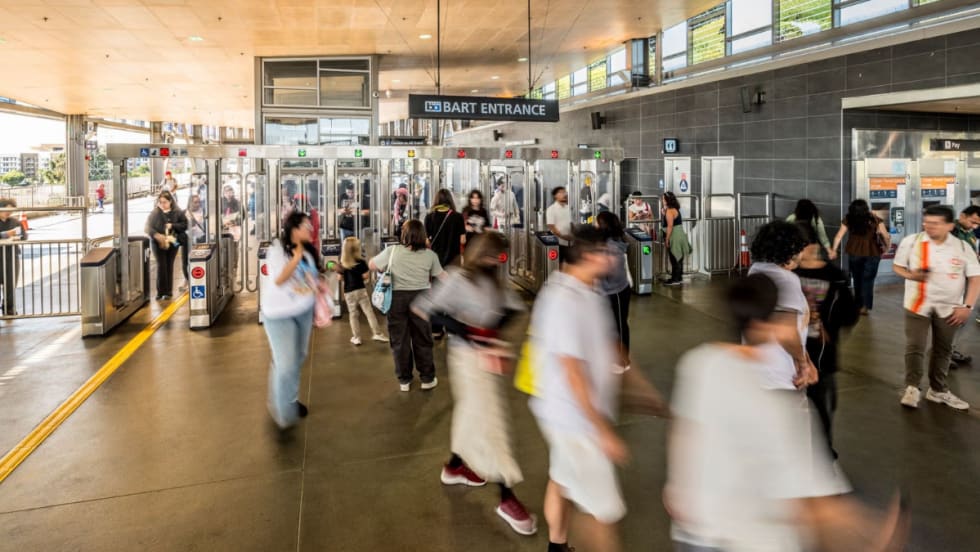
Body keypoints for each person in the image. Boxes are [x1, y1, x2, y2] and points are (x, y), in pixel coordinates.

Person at [666, 274, 908, 552]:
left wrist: (678, 489)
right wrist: (875, 534)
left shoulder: (701, 363)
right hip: (752, 542)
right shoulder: (781, 410)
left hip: (696, 533)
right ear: (770, 326)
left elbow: (683, 432)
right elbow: (817, 505)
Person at [529, 224, 662, 552]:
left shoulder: (587, 291)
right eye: (608, 252)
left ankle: (557, 546)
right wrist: (601, 429)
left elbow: (611, 347)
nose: (615, 258)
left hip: (573, 417)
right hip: (576, 421)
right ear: (590, 255)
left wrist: (644, 392)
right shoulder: (564, 300)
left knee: (561, 481)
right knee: (601, 512)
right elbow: (572, 370)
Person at [412, 232, 537, 536]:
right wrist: (466, 330)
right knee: (491, 422)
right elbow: (423, 308)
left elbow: (514, 308)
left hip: (487, 357)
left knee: (472, 415)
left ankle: (455, 466)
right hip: (466, 360)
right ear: (479, 253)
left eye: (499, 257)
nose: (496, 261)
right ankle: (506, 496)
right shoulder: (457, 278)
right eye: (492, 255)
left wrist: (492, 331)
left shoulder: (494, 280)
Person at [895, 206, 980, 411]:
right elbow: (898, 266)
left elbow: (975, 278)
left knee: (944, 349)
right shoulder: (912, 242)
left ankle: (938, 390)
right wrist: (911, 276)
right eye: (927, 222)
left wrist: (967, 306)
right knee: (915, 346)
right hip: (917, 304)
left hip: (950, 308)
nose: (929, 227)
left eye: (935, 223)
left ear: (950, 225)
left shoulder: (962, 247)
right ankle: (912, 388)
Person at [794, 223, 859, 459]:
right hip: (791, 351)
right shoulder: (787, 274)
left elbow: (850, 314)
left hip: (822, 353)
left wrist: (828, 325)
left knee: (821, 404)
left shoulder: (835, 277)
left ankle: (821, 450)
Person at [260, 212, 321, 430]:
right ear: (294, 228)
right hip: (279, 314)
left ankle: (290, 399)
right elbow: (278, 280)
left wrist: (318, 284)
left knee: (299, 356)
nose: (311, 229)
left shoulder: (309, 251)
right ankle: (282, 413)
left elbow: (312, 277)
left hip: (303, 311)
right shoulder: (277, 249)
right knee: (285, 363)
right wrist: (296, 257)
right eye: (306, 226)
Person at [369, 220, 445, 392]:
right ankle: (427, 378)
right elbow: (441, 275)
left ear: (404, 235)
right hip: (422, 299)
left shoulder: (392, 250)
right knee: (423, 338)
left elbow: (372, 265)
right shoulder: (430, 255)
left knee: (399, 340)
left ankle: (404, 380)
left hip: (396, 299)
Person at [747, 221, 818, 391]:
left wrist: (806, 359)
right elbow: (786, 332)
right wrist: (803, 364)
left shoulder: (755, 271)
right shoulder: (785, 280)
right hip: (782, 377)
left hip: (756, 371)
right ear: (790, 250)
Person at [831, 199, 891, 315]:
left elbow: (838, 236)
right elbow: (885, 235)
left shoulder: (849, 219)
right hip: (872, 252)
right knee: (868, 280)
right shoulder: (874, 219)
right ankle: (865, 306)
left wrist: (834, 250)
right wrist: (887, 248)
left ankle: (858, 304)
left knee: (857, 279)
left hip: (855, 252)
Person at [596, 212, 632, 368]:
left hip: (617, 291)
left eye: (597, 223)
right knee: (612, 326)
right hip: (609, 291)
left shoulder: (613, 247)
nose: (595, 226)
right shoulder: (607, 243)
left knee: (619, 325)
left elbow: (613, 273)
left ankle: (623, 361)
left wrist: (597, 270)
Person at [338, 236, 388, 346]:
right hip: (360, 290)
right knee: (369, 312)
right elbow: (366, 276)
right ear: (357, 249)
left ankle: (356, 337)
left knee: (353, 314)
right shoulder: (361, 262)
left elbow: (339, 278)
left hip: (348, 292)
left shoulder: (342, 263)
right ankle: (377, 333)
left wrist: (345, 276)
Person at [949, 205, 980, 363]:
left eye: (977, 224)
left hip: (966, 278)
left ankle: (951, 350)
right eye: (972, 221)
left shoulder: (969, 232)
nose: (974, 226)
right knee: (949, 319)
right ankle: (943, 354)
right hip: (953, 281)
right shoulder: (951, 230)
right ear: (962, 216)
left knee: (961, 318)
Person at [145, 190, 188, 300]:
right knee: (161, 265)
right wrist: (156, 235)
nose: (162, 204)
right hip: (158, 242)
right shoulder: (155, 212)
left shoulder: (177, 212)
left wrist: (172, 225)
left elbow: (184, 225)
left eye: (164, 202)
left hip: (173, 241)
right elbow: (147, 227)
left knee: (169, 264)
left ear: (170, 202)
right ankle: (160, 292)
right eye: (160, 202)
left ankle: (168, 292)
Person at [0, 198, 25, 316]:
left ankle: (8, 308)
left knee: (10, 284)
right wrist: (6, 234)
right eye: (6, 210)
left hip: (12, 256)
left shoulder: (15, 222)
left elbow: (23, 236)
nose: (8, 213)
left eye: (11, 210)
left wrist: (18, 237)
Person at [662, 191, 692, 286]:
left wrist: (667, 239)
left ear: (667, 200)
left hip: (675, 235)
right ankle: (678, 277)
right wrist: (664, 213)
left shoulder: (670, 211)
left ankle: (675, 279)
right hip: (680, 234)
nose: (662, 200)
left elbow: (670, 226)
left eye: (663, 199)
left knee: (674, 257)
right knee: (679, 257)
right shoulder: (675, 209)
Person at [545, 186, 573, 263]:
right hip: (558, 243)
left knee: (570, 265)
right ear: (555, 196)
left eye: (564, 192)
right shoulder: (551, 209)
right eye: (561, 192)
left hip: (570, 242)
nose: (564, 194)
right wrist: (564, 237)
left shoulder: (568, 208)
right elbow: (551, 226)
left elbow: (571, 223)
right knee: (558, 264)